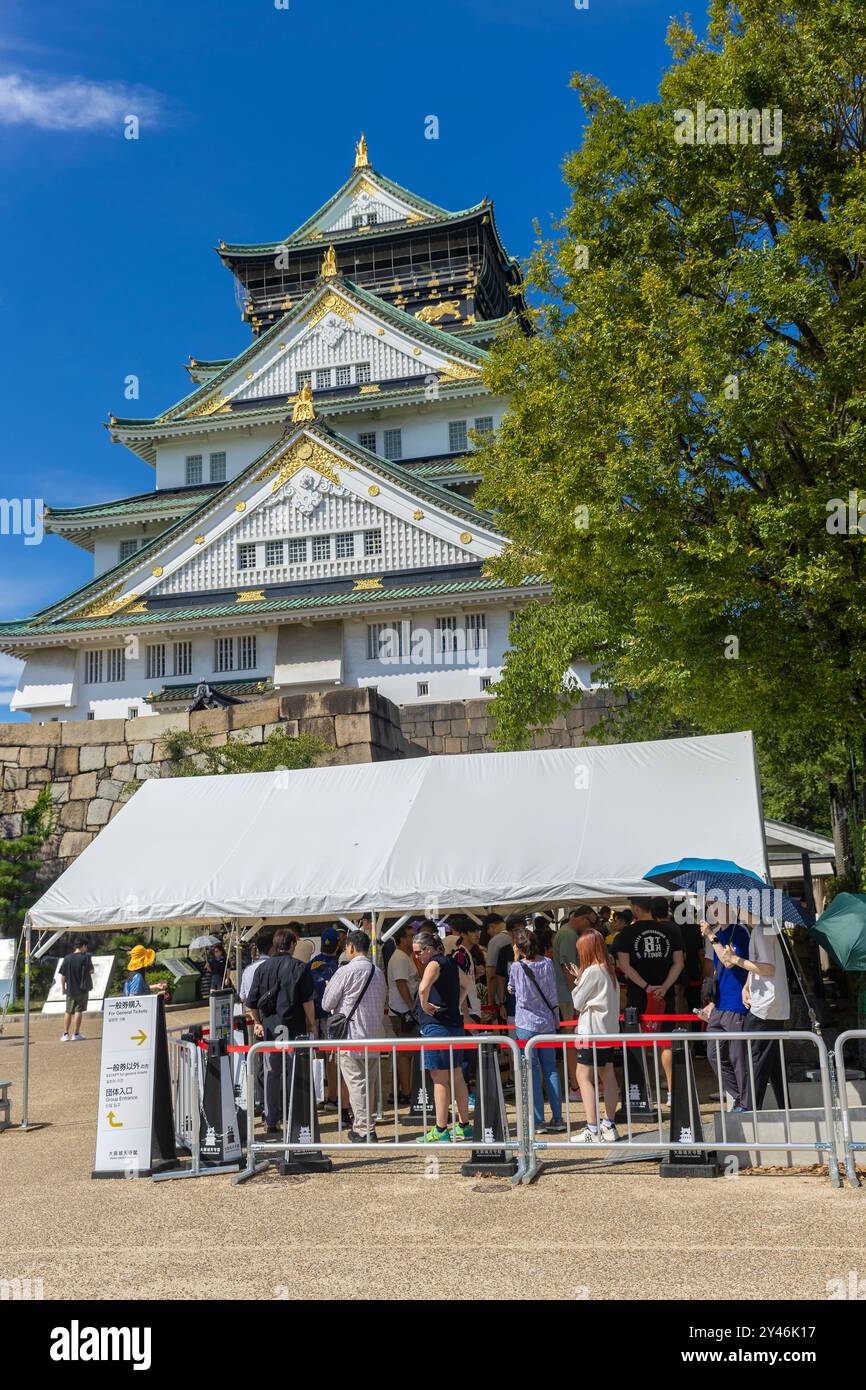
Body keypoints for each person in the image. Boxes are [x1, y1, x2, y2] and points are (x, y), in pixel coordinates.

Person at [247, 927, 316, 1138]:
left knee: (271, 1073)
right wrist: (312, 1024)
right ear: (292, 945)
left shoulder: (261, 968)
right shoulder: (299, 968)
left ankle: (271, 1120)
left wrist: (257, 1022)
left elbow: (251, 1002)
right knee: (294, 1071)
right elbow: (307, 1001)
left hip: (269, 1028)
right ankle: (296, 1114)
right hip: (293, 1027)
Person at [616, 896, 684, 1102]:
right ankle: (672, 1093)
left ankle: (642, 1093)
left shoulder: (627, 933)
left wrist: (645, 987)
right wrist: (663, 987)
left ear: (636, 909)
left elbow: (624, 965)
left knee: (638, 1043)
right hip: (665, 995)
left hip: (638, 995)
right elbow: (679, 963)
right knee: (666, 1043)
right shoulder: (671, 930)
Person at [322, 929, 387, 1143]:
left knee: (356, 1083)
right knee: (368, 1083)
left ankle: (364, 1128)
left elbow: (327, 1003)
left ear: (350, 947)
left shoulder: (345, 971)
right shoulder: (378, 972)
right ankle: (367, 1125)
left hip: (351, 1036)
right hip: (374, 1034)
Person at [719, 918, 791, 1109]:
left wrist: (736, 960)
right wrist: (747, 985)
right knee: (771, 1061)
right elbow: (762, 965)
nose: (734, 911)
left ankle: (751, 1110)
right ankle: (784, 1107)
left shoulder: (761, 930)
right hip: (768, 1004)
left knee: (756, 1061)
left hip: (765, 1006)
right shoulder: (762, 929)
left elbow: (768, 968)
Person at [413, 928, 473, 1143]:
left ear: (429, 949)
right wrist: (456, 1004)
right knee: (457, 1075)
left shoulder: (434, 964)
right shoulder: (451, 963)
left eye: (419, 952)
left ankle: (440, 1129)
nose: (417, 956)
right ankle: (464, 1125)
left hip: (436, 1026)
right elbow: (467, 984)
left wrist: (424, 1004)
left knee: (439, 1078)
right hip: (454, 1025)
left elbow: (422, 988)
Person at [566, 931, 621, 1143]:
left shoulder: (592, 971)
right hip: (607, 1030)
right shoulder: (609, 969)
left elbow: (577, 1002)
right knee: (607, 1074)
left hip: (590, 1031)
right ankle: (608, 1124)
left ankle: (592, 1128)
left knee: (583, 1077)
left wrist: (579, 979)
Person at [508, 928, 563, 1132]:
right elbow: (552, 992)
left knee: (531, 1071)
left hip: (525, 1024)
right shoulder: (547, 963)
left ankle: (538, 1120)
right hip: (547, 1022)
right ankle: (558, 1118)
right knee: (551, 1069)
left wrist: (516, 958)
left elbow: (512, 990)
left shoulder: (516, 967)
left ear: (518, 947)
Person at [699, 904, 750, 1111]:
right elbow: (717, 969)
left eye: (718, 903)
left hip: (737, 1004)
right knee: (714, 1055)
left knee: (738, 1057)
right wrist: (712, 1001)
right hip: (720, 1004)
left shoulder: (740, 931)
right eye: (712, 904)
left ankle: (745, 1104)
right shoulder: (717, 933)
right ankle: (739, 1098)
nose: (714, 908)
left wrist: (711, 935)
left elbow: (729, 962)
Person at [552, 905, 600, 1096]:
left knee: (575, 1038)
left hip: (570, 995)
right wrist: (578, 997)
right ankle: (576, 1084)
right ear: (581, 918)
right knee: (573, 1039)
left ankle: (578, 1083)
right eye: (590, 921)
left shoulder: (567, 934)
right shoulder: (569, 935)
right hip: (569, 997)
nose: (591, 926)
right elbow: (568, 968)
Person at [239, 930, 274, 1116]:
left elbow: (244, 997)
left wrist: (256, 1019)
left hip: (256, 1019)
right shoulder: (275, 965)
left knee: (258, 1061)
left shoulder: (248, 970)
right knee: (275, 1062)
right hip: (275, 1018)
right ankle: (274, 1102)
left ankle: (260, 1100)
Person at [386, 922, 420, 1102]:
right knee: (405, 1054)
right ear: (401, 939)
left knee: (404, 1053)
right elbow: (401, 984)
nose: (413, 939)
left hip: (405, 1011)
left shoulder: (405, 957)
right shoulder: (399, 957)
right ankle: (407, 1092)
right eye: (410, 936)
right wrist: (411, 1008)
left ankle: (401, 1090)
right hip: (402, 1012)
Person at [59, 937, 93, 1041]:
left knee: (68, 1011)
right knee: (79, 1010)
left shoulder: (67, 958)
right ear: (82, 946)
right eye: (85, 946)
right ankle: (76, 1034)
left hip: (70, 989)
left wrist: (63, 988)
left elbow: (63, 975)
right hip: (82, 989)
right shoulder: (86, 958)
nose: (86, 949)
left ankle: (65, 1034)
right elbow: (91, 971)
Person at [482, 913, 509, 1017]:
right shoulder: (521, 936)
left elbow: (491, 975)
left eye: (488, 932)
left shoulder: (495, 941)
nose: (489, 934)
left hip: (503, 997)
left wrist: (490, 1002)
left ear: (491, 926)